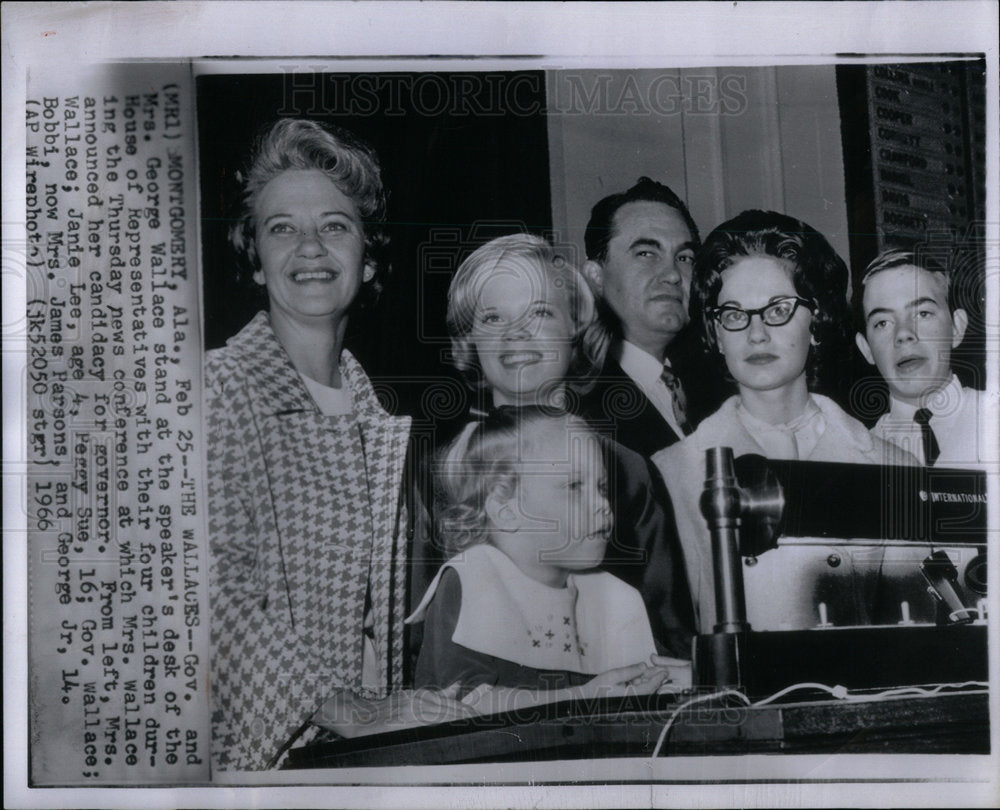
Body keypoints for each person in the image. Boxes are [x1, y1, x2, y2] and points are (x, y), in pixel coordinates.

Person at [206, 119, 428, 769]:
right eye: (282, 228)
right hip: (256, 759)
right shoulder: (216, 385)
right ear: (253, 256)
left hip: (358, 761)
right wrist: (340, 710)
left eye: (334, 225)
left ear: (370, 253)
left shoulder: (378, 419)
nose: (310, 248)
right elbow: (211, 591)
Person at [652, 210, 916, 634]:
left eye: (778, 309)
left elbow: (911, 643)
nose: (756, 334)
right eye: (734, 314)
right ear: (716, 334)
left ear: (817, 322)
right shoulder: (670, 473)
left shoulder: (893, 469)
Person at [443, 233, 695, 657]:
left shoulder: (626, 471)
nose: (515, 335)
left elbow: (671, 640)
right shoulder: (445, 469)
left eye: (539, 312)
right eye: (492, 318)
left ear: (576, 329)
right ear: (470, 340)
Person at [408, 409, 684, 711]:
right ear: (506, 510)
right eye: (574, 487)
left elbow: (650, 679)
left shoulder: (613, 593)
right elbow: (464, 703)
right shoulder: (472, 579)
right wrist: (583, 699)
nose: (603, 505)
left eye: (602, 487)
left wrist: (686, 679)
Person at [580, 177, 712, 457]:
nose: (673, 274)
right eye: (646, 253)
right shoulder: (579, 404)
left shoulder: (717, 386)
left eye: (684, 257)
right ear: (596, 276)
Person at [855, 249, 987, 469]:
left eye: (922, 314)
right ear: (866, 348)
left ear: (957, 327)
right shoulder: (857, 456)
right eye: (882, 323)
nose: (903, 334)